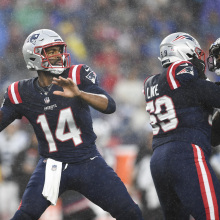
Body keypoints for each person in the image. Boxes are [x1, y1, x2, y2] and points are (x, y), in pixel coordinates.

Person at [1, 29, 143, 220]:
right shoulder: (20, 92)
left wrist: (80, 94)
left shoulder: (76, 75)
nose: (58, 55)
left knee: (130, 213)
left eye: (59, 50)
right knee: (25, 215)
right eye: (51, 51)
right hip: (51, 167)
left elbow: (109, 105)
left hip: (88, 161)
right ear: (33, 56)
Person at [143, 32, 220, 219]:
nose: (200, 60)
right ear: (183, 53)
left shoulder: (154, 82)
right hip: (186, 154)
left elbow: (213, 137)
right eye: (195, 54)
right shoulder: (181, 75)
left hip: (159, 160)